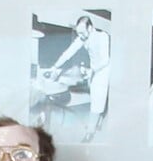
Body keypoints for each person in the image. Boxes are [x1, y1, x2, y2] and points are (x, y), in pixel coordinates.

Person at [45, 13, 111, 142]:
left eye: (82, 32)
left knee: (98, 101)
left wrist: (91, 70)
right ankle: (98, 122)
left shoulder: (102, 36)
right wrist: (54, 66)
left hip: (104, 70)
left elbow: (105, 60)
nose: (80, 36)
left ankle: (90, 133)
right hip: (94, 70)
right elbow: (68, 53)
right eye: (78, 33)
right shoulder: (82, 38)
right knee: (95, 99)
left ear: (90, 28)